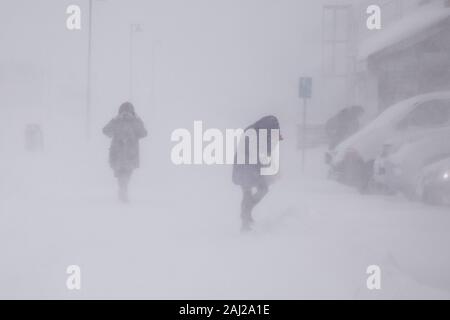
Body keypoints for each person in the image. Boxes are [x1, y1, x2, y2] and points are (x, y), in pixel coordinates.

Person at [232, 115, 283, 232]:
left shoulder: (259, 132)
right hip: (246, 168)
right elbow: (261, 154)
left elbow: (265, 154)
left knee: (256, 190)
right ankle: (245, 221)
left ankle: (246, 214)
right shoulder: (255, 135)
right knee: (251, 192)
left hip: (249, 168)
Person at [103, 102, 147, 203]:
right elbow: (144, 133)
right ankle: (123, 191)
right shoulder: (134, 121)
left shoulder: (117, 121)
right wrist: (137, 120)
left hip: (117, 152)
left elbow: (105, 131)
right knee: (127, 173)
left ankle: (122, 190)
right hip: (130, 153)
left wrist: (115, 121)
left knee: (121, 173)